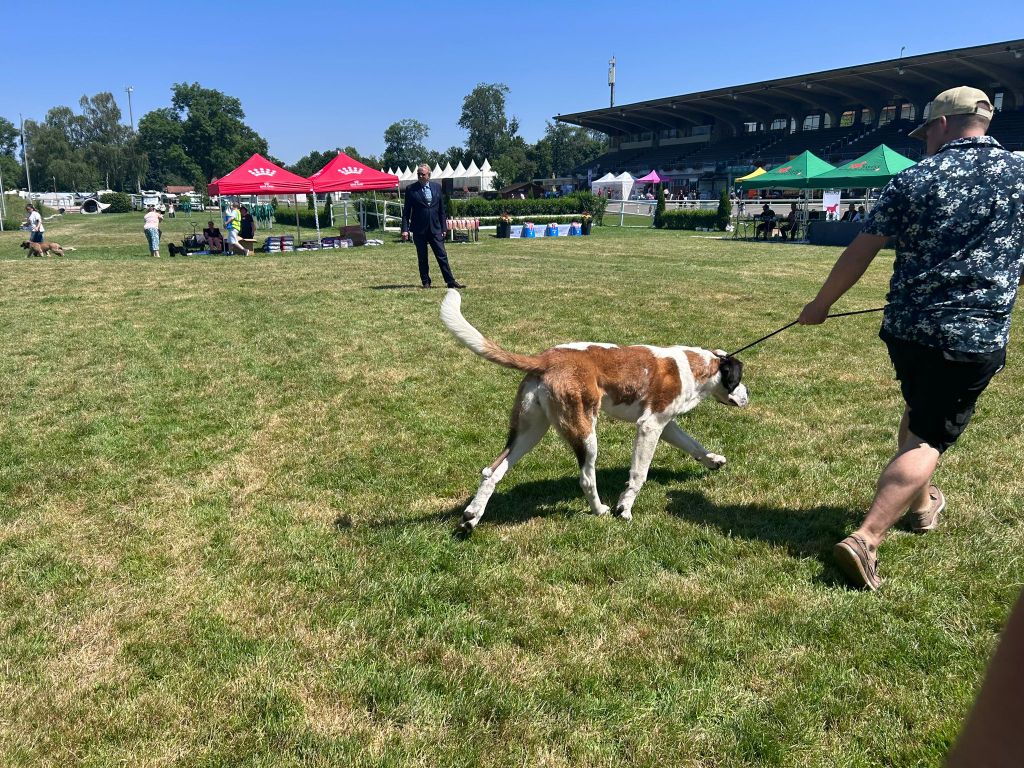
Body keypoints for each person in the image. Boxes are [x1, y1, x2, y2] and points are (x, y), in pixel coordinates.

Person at [797, 86, 1024, 590]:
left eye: (925, 133)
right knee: (929, 436)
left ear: (942, 125)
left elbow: (860, 251)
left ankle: (922, 506)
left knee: (920, 411)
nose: (924, 142)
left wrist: (821, 305)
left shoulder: (917, 177)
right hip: (974, 333)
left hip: (909, 329)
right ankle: (867, 538)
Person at [401, 164, 465, 289]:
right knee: (422, 257)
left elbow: (441, 210)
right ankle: (426, 282)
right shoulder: (411, 189)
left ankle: (450, 281)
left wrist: (444, 228)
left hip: (435, 228)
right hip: (419, 229)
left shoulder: (437, 187)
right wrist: (405, 229)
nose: (420, 176)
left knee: (442, 255)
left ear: (429, 175)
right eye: (418, 174)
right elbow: (406, 212)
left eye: (422, 174)